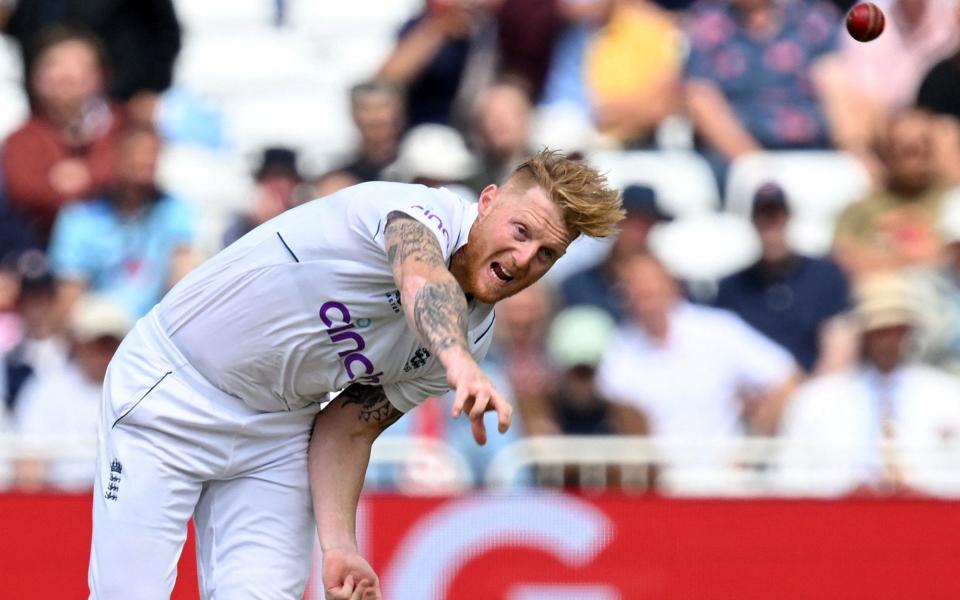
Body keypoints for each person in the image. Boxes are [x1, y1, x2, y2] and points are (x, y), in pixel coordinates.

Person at [86, 149, 623, 599]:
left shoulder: (476, 338)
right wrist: (456, 360)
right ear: (486, 202)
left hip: (276, 432)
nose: (526, 256)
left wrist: (339, 544)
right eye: (521, 230)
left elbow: (351, 424)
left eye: (547, 252)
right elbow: (420, 277)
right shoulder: (411, 211)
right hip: (170, 392)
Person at [595, 253, 800, 492]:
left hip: (726, 483)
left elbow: (787, 377)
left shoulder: (717, 330)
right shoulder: (618, 351)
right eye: (635, 286)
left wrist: (752, 447)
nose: (644, 293)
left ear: (671, 284)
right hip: (657, 488)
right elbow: (614, 414)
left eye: (650, 284)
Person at [775, 272, 960, 497]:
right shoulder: (817, 401)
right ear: (862, 333)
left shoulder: (948, 396)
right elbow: (790, 480)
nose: (887, 340)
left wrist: (922, 492)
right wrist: (846, 493)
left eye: (895, 330)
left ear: (909, 331)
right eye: (878, 331)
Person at [47, 124, 197, 320]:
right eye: (135, 153)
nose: (144, 161)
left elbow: (183, 272)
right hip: (95, 331)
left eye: (151, 153)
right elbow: (69, 296)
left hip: (152, 329)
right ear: (115, 157)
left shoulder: (174, 210)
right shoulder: (80, 218)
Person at [1, 25, 124, 242]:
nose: (65, 75)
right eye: (54, 65)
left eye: (77, 65)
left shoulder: (123, 125)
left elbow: (134, 169)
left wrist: (88, 175)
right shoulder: (21, 139)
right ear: (34, 76)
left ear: (100, 74)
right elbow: (24, 189)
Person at [715, 182, 853, 374]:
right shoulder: (732, 288)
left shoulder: (825, 276)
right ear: (753, 222)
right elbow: (722, 355)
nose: (770, 227)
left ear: (789, 218)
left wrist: (804, 394)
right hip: (756, 395)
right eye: (763, 217)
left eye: (776, 217)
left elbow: (837, 351)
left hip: (815, 393)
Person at [11, 294, 130, 491]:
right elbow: (28, 468)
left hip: (121, 501)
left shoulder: (139, 392)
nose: (103, 353)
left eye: (110, 344)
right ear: (77, 344)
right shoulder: (46, 390)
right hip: (60, 501)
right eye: (96, 343)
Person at [833, 110, 954, 279]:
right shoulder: (859, 210)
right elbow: (842, 263)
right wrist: (914, 258)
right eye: (907, 149)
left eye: (925, 145)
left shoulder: (954, 200)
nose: (918, 157)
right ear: (885, 153)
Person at [560, 183, 670, 320]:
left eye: (645, 224)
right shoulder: (580, 285)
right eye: (631, 222)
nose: (637, 233)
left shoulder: (669, 286)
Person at [222, 147, 305, 247]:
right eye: (274, 176)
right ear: (263, 181)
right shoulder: (241, 222)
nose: (281, 184)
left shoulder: (302, 217)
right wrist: (260, 221)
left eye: (286, 177)